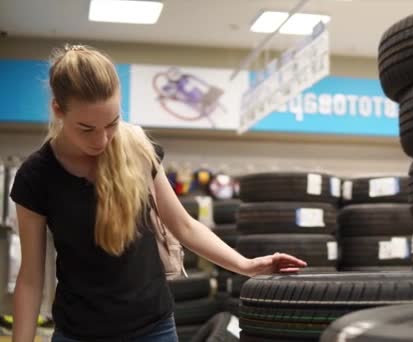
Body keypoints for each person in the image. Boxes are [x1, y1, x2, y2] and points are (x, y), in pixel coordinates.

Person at [9, 44, 307, 342]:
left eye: (111, 124)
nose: (102, 140)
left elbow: (184, 225)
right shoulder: (36, 176)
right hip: (78, 333)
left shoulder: (137, 149)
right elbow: (31, 278)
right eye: (86, 129)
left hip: (153, 329)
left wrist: (246, 265)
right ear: (58, 110)